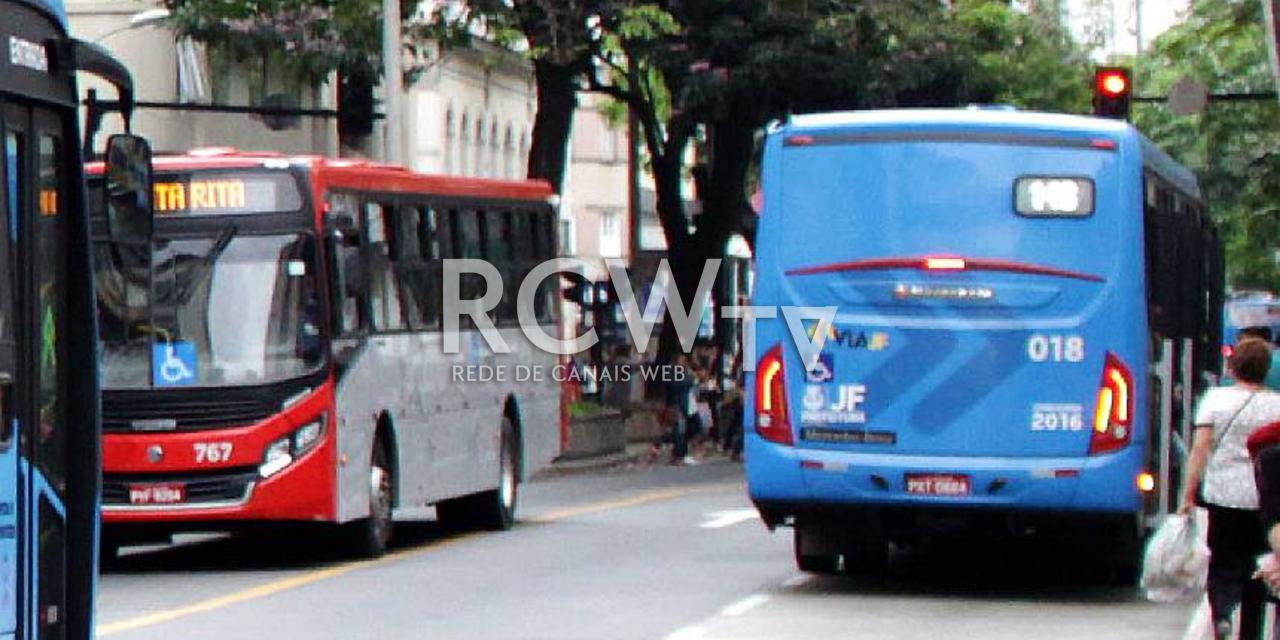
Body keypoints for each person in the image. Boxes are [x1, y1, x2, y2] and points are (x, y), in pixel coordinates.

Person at [1181, 338, 1280, 640]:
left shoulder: (1215, 399)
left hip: (1222, 495)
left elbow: (1200, 448)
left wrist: (1189, 493)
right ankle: (1249, 631)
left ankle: (1222, 614)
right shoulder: (1276, 404)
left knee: (1223, 562)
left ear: (1233, 366)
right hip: (1263, 497)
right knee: (1257, 567)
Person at [662, 353, 698, 465]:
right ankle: (678, 455)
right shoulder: (671, 370)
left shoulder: (684, 370)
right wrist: (691, 379)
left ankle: (680, 453)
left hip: (687, 404)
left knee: (690, 428)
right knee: (679, 430)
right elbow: (676, 385)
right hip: (677, 404)